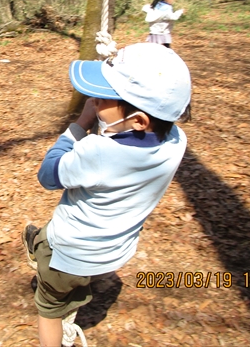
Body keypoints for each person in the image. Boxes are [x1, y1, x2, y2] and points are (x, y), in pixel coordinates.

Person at [21, 42, 192, 347]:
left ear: (139, 120)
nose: (93, 101)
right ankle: (42, 251)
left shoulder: (97, 151)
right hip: (115, 251)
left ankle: (41, 258)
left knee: (48, 309)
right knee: (69, 272)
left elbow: (48, 175)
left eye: (103, 98)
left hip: (70, 251)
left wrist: (81, 124)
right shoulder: (176, 141)